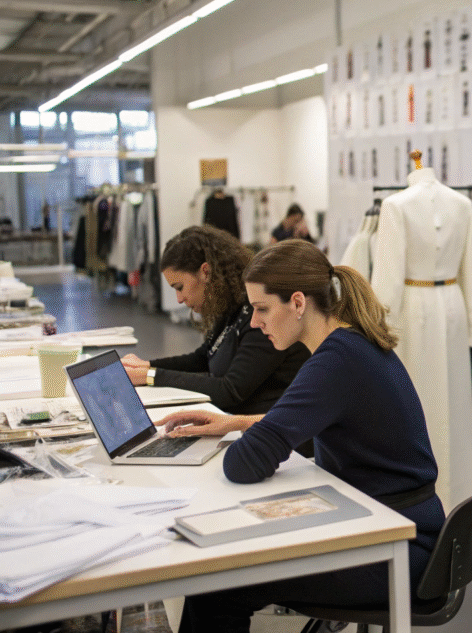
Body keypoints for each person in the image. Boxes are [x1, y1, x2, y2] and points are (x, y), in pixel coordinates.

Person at [158, 241, 444, 633]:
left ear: (297, 303)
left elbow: (244, 464)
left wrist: (252, 432)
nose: (255, 323)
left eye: (262, 309)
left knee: (217, 582)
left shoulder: (334, 361)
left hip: (399, 549)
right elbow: (318, 420)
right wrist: (237, 422)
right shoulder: (350, 343)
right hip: (398, 527)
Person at [120, 226, 309, 416]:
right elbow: (203, 357)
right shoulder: (232, 305)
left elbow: (230, 390)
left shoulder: (259, 315)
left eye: (180, 287)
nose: (179, 299)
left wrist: (150, 375)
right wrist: (146, 366)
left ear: (206, 272)